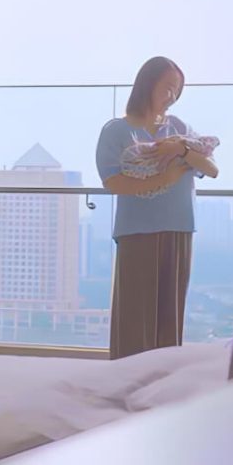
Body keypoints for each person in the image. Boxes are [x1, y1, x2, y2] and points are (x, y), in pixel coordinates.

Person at [96, 56, 219, 359]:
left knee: (170, 312)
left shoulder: (180, 129)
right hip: (136, 230)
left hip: (179, 226)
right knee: (135, 315)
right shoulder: (117, 131)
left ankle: (162, 381)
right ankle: (125, 379)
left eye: (176, 91)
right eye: (167, 88)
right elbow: (113, 182)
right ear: (147, 84)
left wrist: (182, 148)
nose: (171, 97)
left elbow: (211, 168)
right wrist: (165, 177)